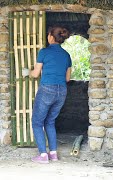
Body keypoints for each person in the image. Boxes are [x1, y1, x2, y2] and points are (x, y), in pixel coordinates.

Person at [22, 25, 71, 164]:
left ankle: (43, 155)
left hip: (47, 89)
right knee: (50, 121)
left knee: (37, 122)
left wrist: (27, 72)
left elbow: (36, 73)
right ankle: (53, 154)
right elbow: (67, 78)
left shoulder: (44, 52)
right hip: (61, 91)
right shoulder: (66, 55)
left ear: (50, 36)